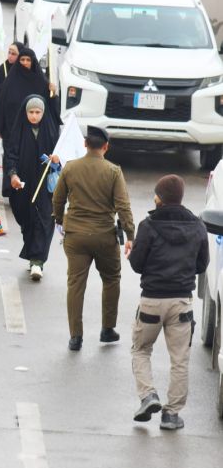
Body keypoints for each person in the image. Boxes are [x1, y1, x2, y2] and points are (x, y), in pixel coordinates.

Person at [128, 175, 208, 430]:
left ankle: (148, 395)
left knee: (141, 349)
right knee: (180, 359)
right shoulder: (197, 226)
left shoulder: (148, 225)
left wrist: (133, 254)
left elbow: (137, 264)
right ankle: (171, 415)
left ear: (159, 198)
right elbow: (202, 265)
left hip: (151, 300)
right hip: (181, 302)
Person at [52, 126, 135, 351]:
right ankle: (107, 329)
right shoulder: (113, 171)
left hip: (75, 235)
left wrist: (59, 220)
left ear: (85, 144)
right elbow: (123, 205)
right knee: (111, 279)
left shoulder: (70, 168)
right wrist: (130, 234)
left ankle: (75, 336)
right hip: (104, 235)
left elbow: (58, 199)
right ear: (106, 147)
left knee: (75, 283)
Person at [4, 95, 60, 280]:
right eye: (31, 112)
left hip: (45, 185)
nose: (34, 116)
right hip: (23, 185)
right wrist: (13, 175)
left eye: (38, 112)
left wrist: (56, 160)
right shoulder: (18, 130)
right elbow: (11, 155)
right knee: (27, 220)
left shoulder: (51, 131)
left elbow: (60, 158)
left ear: (43, 113)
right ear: (25, 112)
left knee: (44, 220)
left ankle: (37, 261)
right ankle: (32, 255)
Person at [0, 46, 58, 148]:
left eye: (28, 60)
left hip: (35, 134)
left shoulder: (41, 81)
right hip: (12, 133)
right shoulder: (10, 81)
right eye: (22, 59)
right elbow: (1, 105)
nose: (25, 62)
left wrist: (53, 93)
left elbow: (49, 106)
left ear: (33, 62)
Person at [0, 42, 24, 106]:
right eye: (9, 52)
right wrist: (2, 87)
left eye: (13, 54)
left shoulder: (24, 68)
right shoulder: (3, 68)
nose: (10, 56)